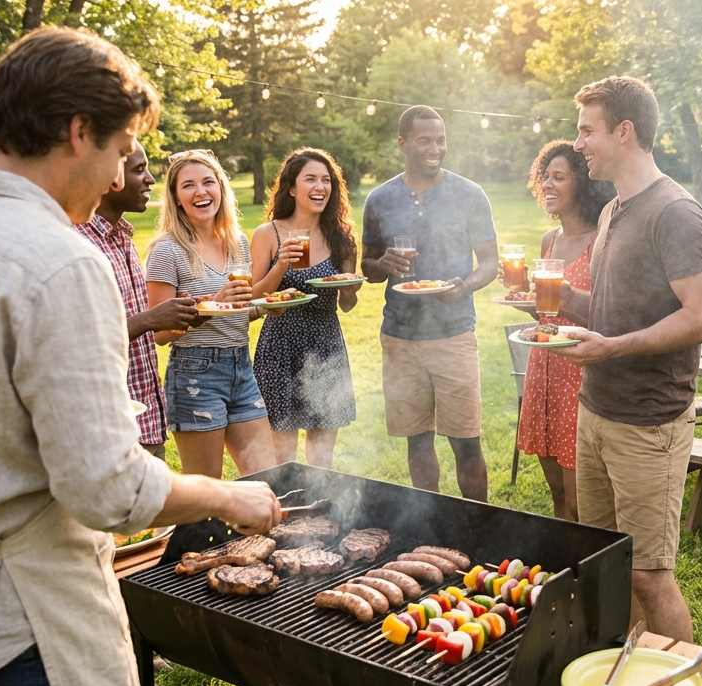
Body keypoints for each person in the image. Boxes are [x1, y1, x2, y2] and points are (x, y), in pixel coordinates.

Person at [0, 26, 281, 686]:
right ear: (78, 131)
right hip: (27, 632)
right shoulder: (63, 261)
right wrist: (229, 495)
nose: (114, 177)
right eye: (121, 151)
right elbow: (110, 492)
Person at [550, 76, 702, 642]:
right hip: (596, 408)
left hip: (648, 421)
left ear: (624, 132)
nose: (578, 144)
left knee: (649, 575)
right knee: (606, 560)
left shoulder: (676, 212)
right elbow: (611, 305)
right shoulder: (613, 212)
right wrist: (561, 302)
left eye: (586, 131)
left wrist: (613, 348)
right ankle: (630, 672)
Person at [361, 106, 499, 501]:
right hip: (400, 337)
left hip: (453, 332)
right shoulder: (380, 199)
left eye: (440, 140)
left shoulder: (469, 194)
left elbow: (488, 262)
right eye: (425, 140)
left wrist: (465, 284)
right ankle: (431, 520)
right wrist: (383, 263)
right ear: (403, 144)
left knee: (466, 441)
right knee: (417, 441)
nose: (435, 148)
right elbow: (367, 267)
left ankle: (477, 524)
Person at [146, 149, 282, 479]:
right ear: (177, 198)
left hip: (241, 368)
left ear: (221, 187)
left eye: (208, 182)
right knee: (205, 495)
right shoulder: (167, 250)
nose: (201, 192)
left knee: (268, 482)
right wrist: (213, 303)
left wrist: (264, 307)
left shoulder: (237, 240)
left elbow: (236, 311)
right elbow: (159, 334)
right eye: (188, 185)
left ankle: (252, 534)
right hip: (195, 373)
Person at [76, 142, 200, 459]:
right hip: (106, 428)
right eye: (139, 170)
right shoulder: (78, 247)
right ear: (108, 177)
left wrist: (180, 314)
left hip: (145, 419)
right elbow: (79, 341)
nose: (151, 180)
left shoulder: (124, 239)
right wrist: (152, 319)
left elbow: (140, 321)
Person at [513, 140, 615, 521]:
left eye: (559, 177)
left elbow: (608, 315)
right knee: (557, 496)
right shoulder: (549, 240)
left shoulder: (600, 242)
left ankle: (591, 573)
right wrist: (521, 293)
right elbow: (546, 310)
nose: (548, 185)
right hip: (545, 368)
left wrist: (567, 297)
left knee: (580, 502)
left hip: (579, 372)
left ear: (584, 184)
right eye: (545, 177)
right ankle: (568, 576)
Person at [250, 148, 360, 467]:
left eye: (326, 180)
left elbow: (348, 305)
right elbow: (254, 297)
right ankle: (282, 514)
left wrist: (351, 289)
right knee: (282, 455)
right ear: (291, 188)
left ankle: (319, 512)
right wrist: (280, 265)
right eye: (310, 179)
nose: (320, 187)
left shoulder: (341, 238)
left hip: (326, 346)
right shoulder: (267, 234)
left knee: (322, 456)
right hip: (279, 348)